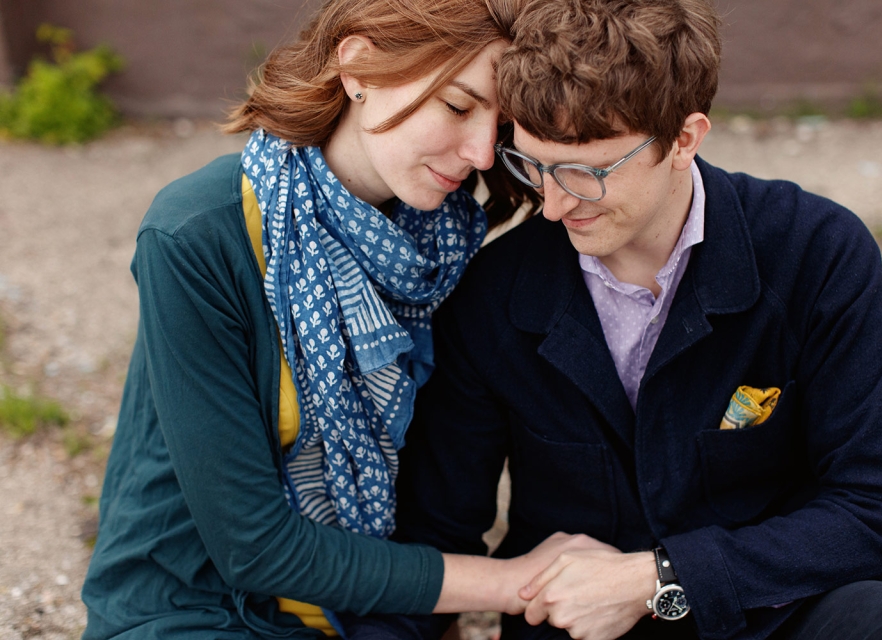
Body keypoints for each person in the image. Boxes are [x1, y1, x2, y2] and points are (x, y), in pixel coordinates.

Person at [347, 0, 882, 639]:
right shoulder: (492, 294)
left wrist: (662, 577)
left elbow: (880, 509)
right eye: (534, 165)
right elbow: (436, 534)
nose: (552, 206)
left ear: (685, 139)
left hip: (787, 609)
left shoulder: (815, 251)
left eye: (587, 172)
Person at [79, 0, 609, 638]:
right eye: (457, 106)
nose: (479, 154)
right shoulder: (198, 236)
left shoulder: (444, 241)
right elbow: (254, 548)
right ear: (358, 68)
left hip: (370, 601)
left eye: (498, 128)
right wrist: (516, 582)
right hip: (195, 605)